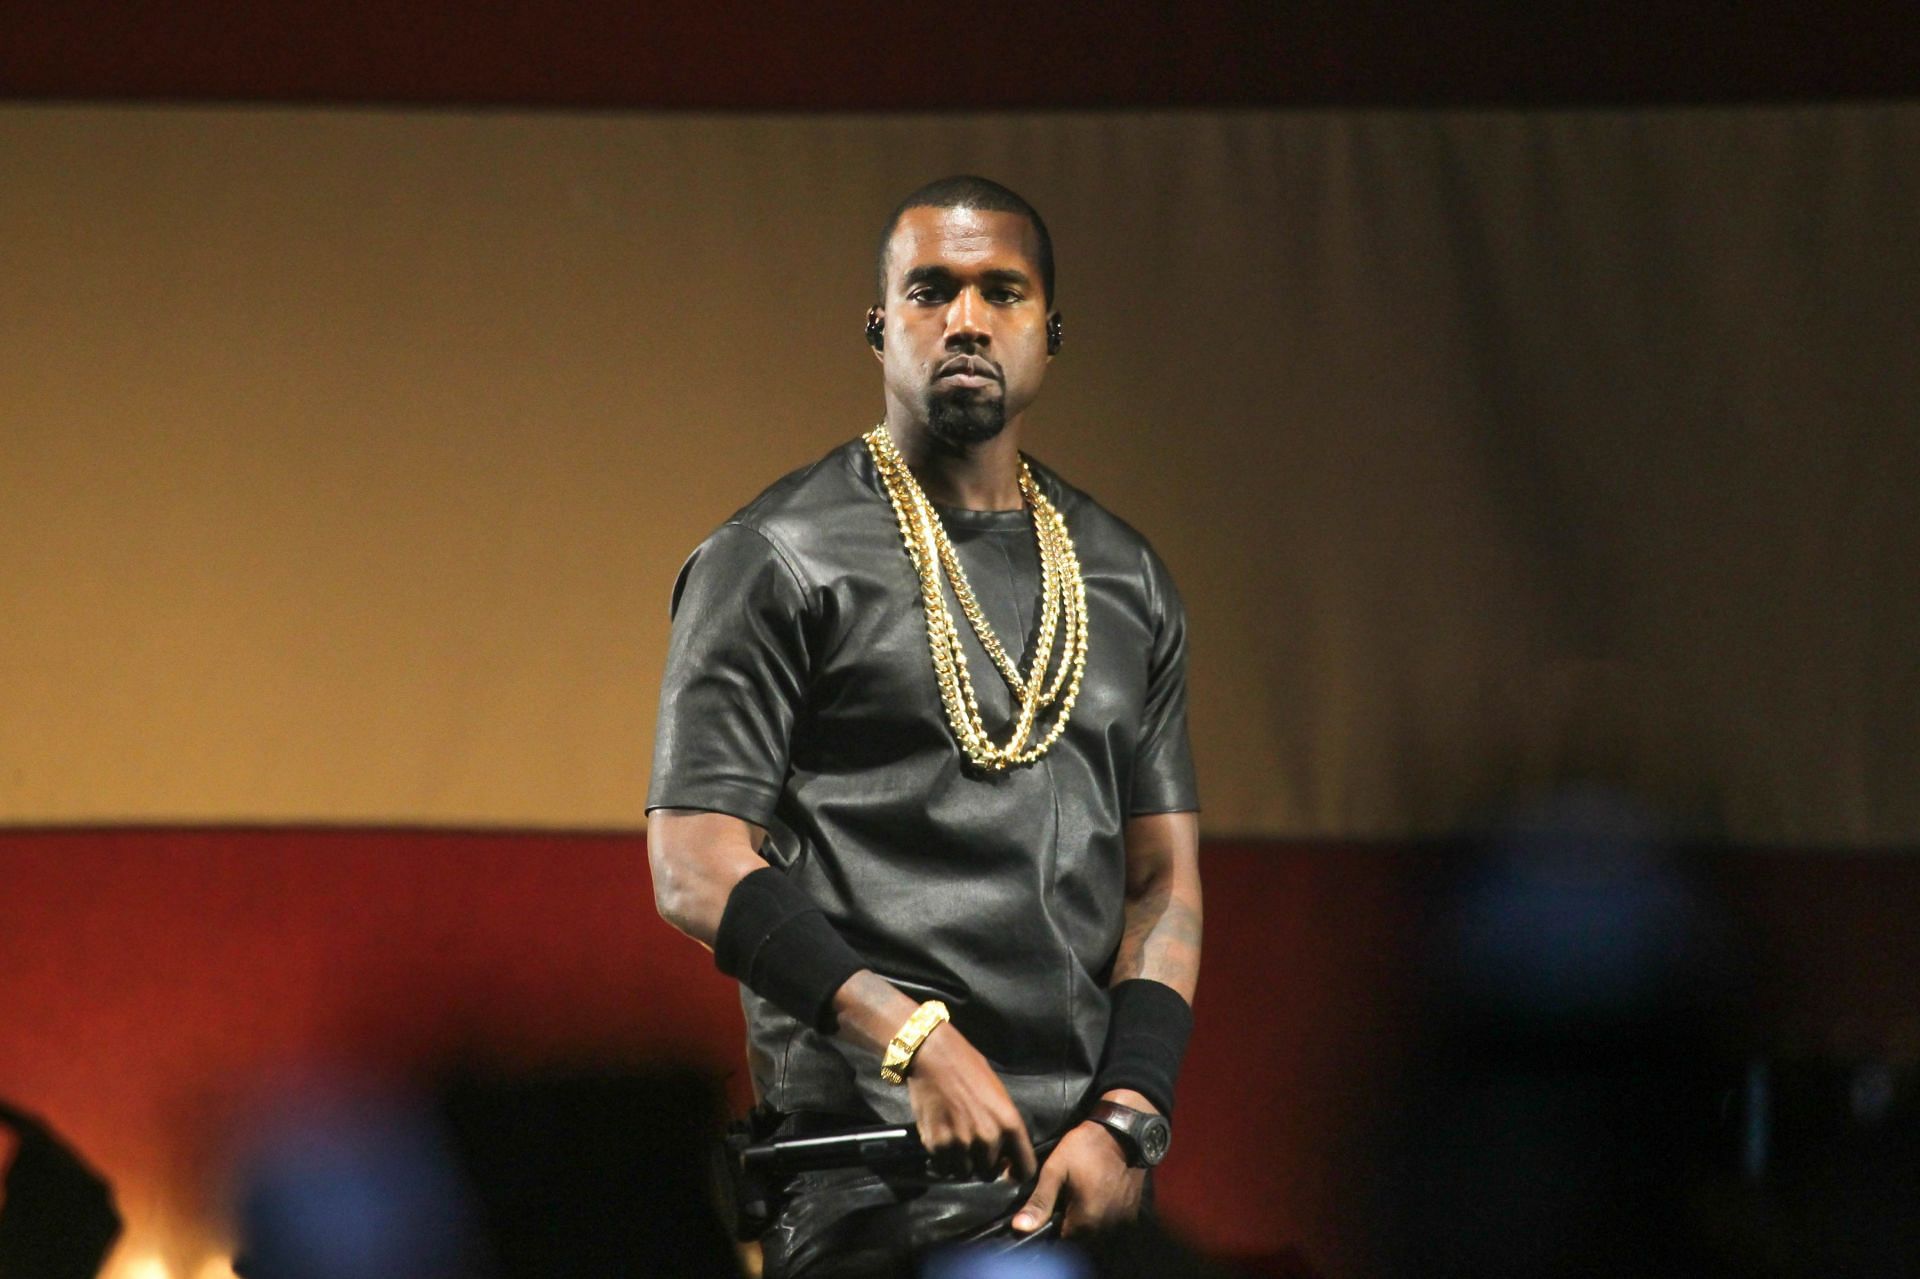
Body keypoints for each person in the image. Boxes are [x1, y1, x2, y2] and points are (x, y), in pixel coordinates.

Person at [647, 176, 1202, 1276]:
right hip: (872, 1178)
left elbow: (1162, 881)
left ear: (1048, 330)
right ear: (878, 325)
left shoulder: (1127, 576)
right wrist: (912, 1042)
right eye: (929, 291)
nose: (965, 320)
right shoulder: (776, 558)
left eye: (1002, 292)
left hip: (1084, 1179)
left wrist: (1129, 1113)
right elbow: (692, 865)